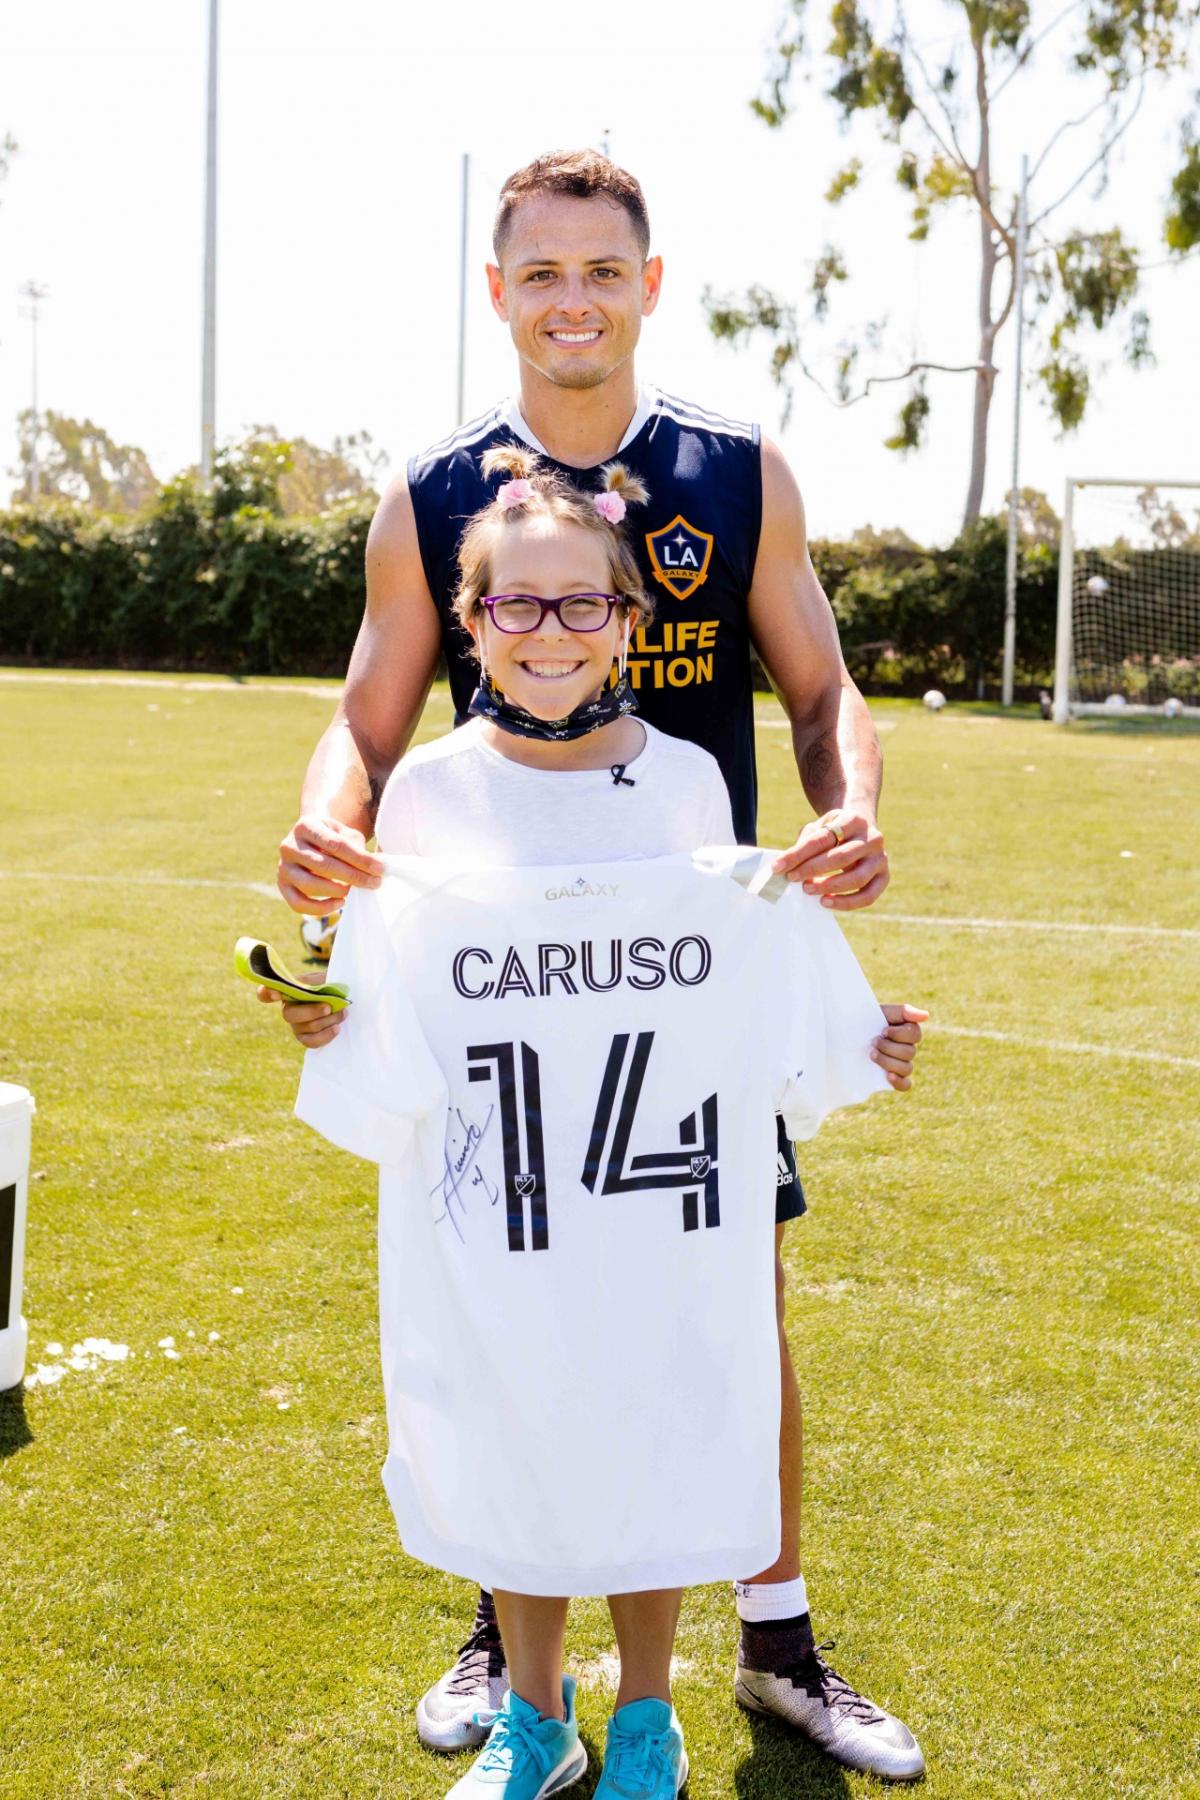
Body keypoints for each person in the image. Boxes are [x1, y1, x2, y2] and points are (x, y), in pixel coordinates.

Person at [265, 149, 927, 1783]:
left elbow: (826, 688)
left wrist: (850, 809)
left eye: (602, 270)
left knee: (728, 1297)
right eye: (540, 272)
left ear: (648, 283)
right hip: (499, 961)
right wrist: (324, 843)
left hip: (679, 974)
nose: (573, 298)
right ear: (500, 294)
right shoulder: (431, 495)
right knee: (507, 1283)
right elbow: (368, 719)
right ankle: (515, 1653)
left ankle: (775, 1644)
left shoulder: (733, 468)